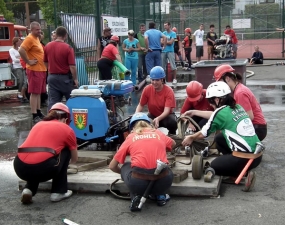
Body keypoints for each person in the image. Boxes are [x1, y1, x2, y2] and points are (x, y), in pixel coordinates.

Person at [182, 81, 262, 192]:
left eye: (210, 101)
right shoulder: (237, 107)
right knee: (219, 139)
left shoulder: (219, 112)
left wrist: (190, 138)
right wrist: (194, 112)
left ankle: (242, 173)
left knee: (213, 166)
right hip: (257, 156)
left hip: (244, 158)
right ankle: (238, 168)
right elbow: (216, 115)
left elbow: (202, 134)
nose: (210, 104)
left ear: (217, 99)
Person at [14, 103, 78, 204]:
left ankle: (29, 189)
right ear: (66, 119)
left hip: (19, 166)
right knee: (65, 150)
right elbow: (74, 159)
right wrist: (66, 166)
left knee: (36, 155)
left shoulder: (38, 124)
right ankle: (58, 191)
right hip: (44, 168)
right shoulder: (67, 129)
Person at [109, 112, 175, 210]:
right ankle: (160, 195)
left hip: (138, 184)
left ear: (132, 127)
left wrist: (124, 173)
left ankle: (136, 194)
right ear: (149, 123)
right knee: (166, 169)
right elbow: (173, 143)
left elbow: (112, 166)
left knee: (126, 165)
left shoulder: (130, 137)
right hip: (164, 182)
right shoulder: (158, 133)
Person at [214, 64, 267, 141]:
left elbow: (249, 116)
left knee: (220, 139)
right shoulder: (238, 89)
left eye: (221, 82)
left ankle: (238, 152)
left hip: (257, 129)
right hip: (257, 127)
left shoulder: (240, 93)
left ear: (227, 78)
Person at [44, 26, 79, 111]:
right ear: (65, 35)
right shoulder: (68, 48)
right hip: (65, 79)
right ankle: (71, 121)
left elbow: (45, 62)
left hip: (52, 78)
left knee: (53, 102)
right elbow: (72, 66)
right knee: (71, 100)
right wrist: (75, 79)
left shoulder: (47, 46)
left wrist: (49, 71)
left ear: (56, 34)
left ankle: (52, 120)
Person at [19, 21, 47, 124]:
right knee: (34, 93)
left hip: (40, 69)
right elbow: (21, 50)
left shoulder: (36, 38)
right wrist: (28, 61)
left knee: (38, 92)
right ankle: (34, 114)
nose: (39, 31)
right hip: (34, 69)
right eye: (37, 29)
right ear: (31, 30)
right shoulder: (29, 39)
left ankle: (38, 111)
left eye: (40, 29)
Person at [135, 66, 177, 135]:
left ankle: (172, 137)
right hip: (152, 115)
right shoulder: (147, 89)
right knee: (143, 125)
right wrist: (136, 116)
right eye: (153, 80)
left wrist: (158, 118)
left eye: (157, 80)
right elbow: (141, 105)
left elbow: (167, 111)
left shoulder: (169, 91)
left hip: (166, 116)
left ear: (162, 79)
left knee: (173, 122)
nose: (154, 82)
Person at [9, 37, 28, 103]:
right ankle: (24, 96)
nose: (20, 42)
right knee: (20, 81)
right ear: (16, 42)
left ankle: (20, 95)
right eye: (19, 41)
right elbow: (14, 60)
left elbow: (25, 57)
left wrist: (20, 58)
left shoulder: (20, 49)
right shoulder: (11, 50)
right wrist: (22, 59)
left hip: (23, 66)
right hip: (17, 67)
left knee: (25, 82)